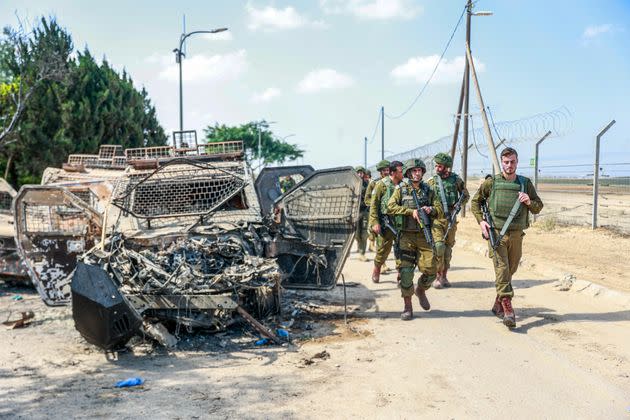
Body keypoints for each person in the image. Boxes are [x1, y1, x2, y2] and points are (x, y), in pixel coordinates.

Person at [470, 147, 543, 328]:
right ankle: (508, 309)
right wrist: (481, 222)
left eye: (512, 162)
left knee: (511, 269)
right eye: (506, 162)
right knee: (502, 269)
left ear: (517, 162)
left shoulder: (525, 183)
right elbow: (475, 202)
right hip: (496, 233)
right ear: (502, 163)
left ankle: (498, 302)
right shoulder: (491, 183)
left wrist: (528, 201)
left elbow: (538, 206)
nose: (509, 165)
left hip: (517, 234)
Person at [387, 158, 443, 320]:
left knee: (431, 271)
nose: (417, 173)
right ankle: (408, 306)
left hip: (424, 235)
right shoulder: (401, 189)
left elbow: (439, 208)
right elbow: (390, 207)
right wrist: (409, 212)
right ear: (408, 173)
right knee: (405, 272)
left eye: (419, 171)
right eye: (414, 171)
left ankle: (421, 290)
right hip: (406, 236)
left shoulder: (428, 189)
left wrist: (430, 209)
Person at [427, 152, 469, 289]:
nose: (437, 168)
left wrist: (459, 204)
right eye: (437, 166)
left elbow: (465, 195)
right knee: (439, 247)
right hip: (436, 219)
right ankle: (437, 276)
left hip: (451, 217)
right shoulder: (431, 181)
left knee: (448, 250)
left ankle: (444, 276)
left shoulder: (456, 180)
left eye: (440, 166)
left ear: (447, 167)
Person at [368, 160, 402, 283]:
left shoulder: (403, 185)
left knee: (402, 249)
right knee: (383, 249)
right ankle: (377, 269)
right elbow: (374, 205)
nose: (402, 173)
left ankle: (401, 274)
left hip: (401, 223)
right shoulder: (381, 185)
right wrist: (374, 222)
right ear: (393, 172)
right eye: (400, 171)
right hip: (386, 223)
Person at [365, 160, 390, 256]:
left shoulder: (394, 183)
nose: (387, 172)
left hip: (391, 216)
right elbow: (367, 199)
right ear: (381, 172)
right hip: (379, 216)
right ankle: (382, 265)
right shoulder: (374, 183)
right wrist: (376, 206)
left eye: (388, 170)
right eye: (385, 170)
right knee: (380, 241)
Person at [354, 166, 369, 262]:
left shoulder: (366, 184)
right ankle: (359, 247)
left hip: (364, 211)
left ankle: (362, 253)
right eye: (358, 173)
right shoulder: (352, 184)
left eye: (361, 173)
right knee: (356, 234)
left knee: (364, 233)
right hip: (355, 212)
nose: (360, 174)